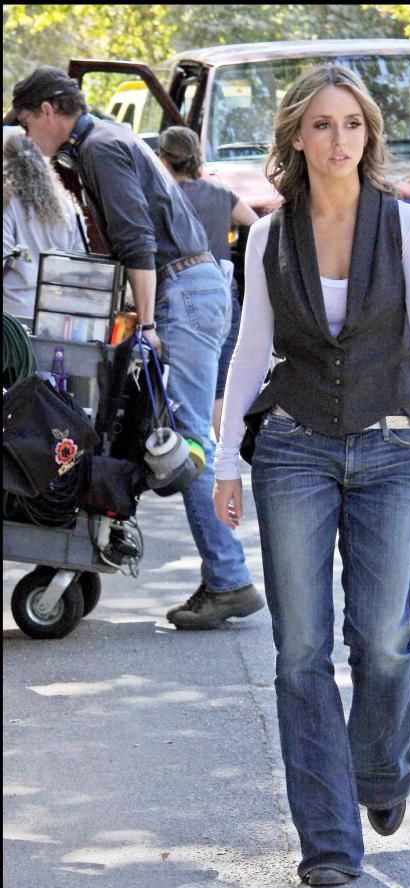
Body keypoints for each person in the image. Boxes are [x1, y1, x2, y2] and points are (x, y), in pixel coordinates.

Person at [213, 65, 410, 887]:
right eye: (321, 125)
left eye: (351, 124)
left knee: (382, 638)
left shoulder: (406, 227)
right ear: (295, 137)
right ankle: (328, 838)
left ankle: (381, 771)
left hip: (392, 448)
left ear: (368, 134)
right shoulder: (269, 238)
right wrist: (223, 463)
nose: (338, 140)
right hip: (294, 447)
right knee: (301, 651)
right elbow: (251, 350)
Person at [6, 66, 264, 629]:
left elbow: (137, 242)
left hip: (182, 291)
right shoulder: (104, 143)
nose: (25, 136)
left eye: (26, 122)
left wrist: (145, 324)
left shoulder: (99, 147)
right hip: (194, 286)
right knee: (180, 433)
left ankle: (229, 580)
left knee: (188, 440)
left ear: (50, 109)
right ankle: (223, 575)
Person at [157, 125, 258, 438]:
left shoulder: (161, 199)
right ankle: (228, 460)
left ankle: (198, 454)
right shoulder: (220, 193)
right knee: (220, 386)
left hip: (183, 298)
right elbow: (257, 224)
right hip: (225, 295)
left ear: (163, 159)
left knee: (189, 387)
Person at [3, 130, 86, 325]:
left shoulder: (8, 204)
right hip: (56, 315)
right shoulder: (68, 205)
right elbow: (80, 262)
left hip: (13, 315)